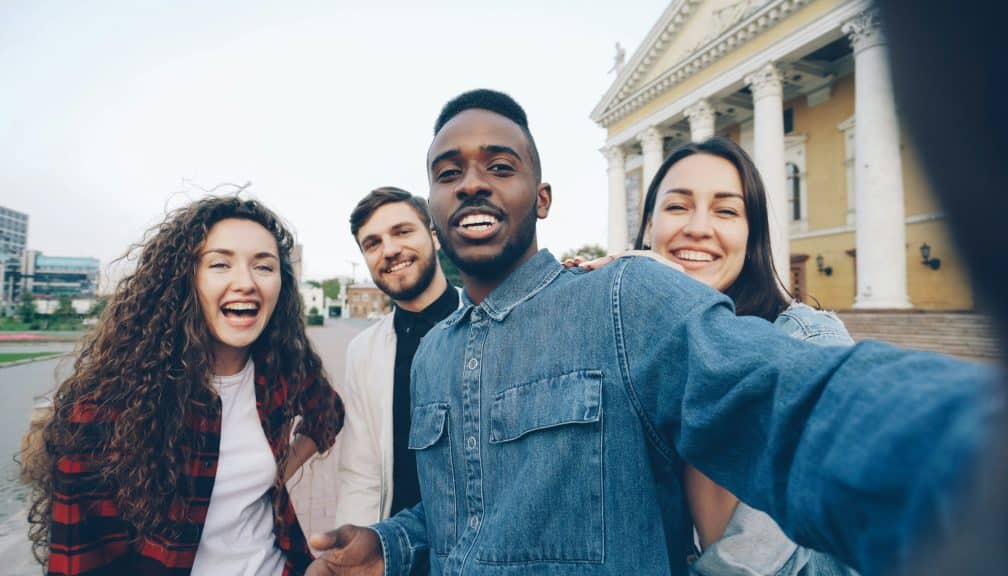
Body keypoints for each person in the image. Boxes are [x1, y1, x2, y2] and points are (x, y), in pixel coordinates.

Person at [305, 89, 998, 576]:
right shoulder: (434, 357)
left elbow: (791, 405)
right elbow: (465, 513)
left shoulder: (623, 299)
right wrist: (390, 544)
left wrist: (967, 454)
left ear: (542, 198)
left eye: (501, 166)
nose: (473, 184)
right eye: (448, 173)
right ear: (434, 206)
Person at [24, 196, 345, 575]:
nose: (246, 282)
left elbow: (328, 411)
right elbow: (80, 564)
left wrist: (277, 472)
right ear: (183, 280)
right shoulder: (103, 411)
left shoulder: (280, 371)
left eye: (264, 266)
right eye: (220, 264)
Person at [632, 136, 856, 575]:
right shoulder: (629, 364)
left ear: (751, 235)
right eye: (677, 207)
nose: (697, 227)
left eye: (726, 210)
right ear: (646, 229)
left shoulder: (808, 341)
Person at [336, 188, 459, 543]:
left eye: (402, 232)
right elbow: (360, 471)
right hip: (399, 549)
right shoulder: (363, 350)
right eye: (372, 243)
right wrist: (357, 547)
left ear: (434, 237)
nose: (389, 250)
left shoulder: (490, 322)